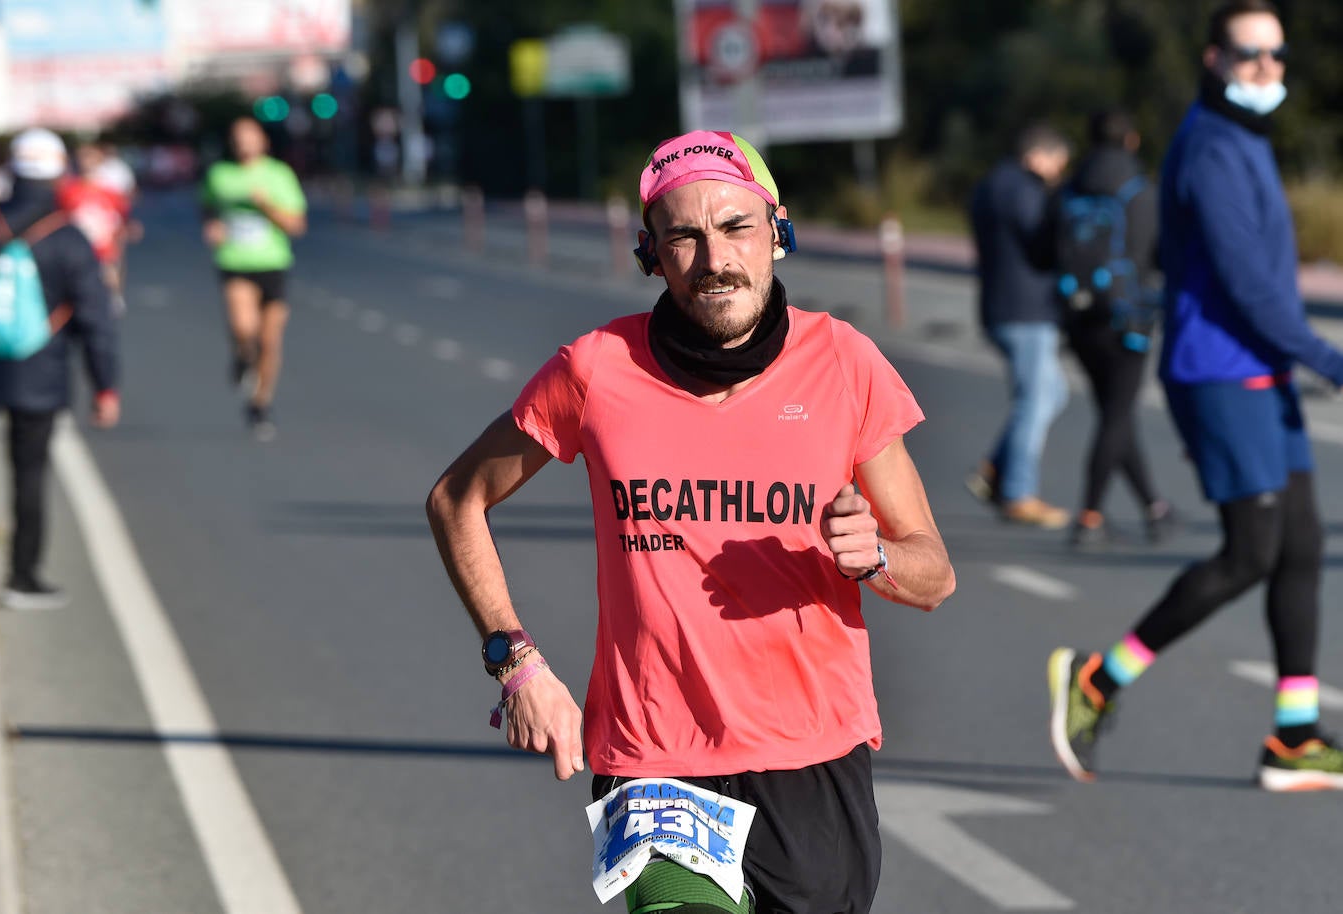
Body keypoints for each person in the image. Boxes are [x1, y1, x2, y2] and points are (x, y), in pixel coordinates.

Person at [427, 130, 955, 913]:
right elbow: (457, 498)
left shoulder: (844, 363)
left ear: (777, 231)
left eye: (737, 227)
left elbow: (933, 574)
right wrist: (518, 665)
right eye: (684, 236)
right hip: (654, 759)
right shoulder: (595, 370)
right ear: (652, 254)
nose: (715, 260)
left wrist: (873, 554)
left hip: (810, 756)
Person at [1049, 0, 1343, 791]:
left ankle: (1294, 736)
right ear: (1214, 59)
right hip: (1220, 372)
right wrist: (1329, 357)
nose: (1266, 69)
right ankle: (1096, 681)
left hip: (1259, 370)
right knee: (1251, 553)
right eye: (1249, 55)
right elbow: (1248, 285)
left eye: (1277, 55)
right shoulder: (1212, 149)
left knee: (1303, 545)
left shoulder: (1243, 138)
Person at [0, 128, 119, 610]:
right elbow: (96, 317)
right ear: (60, 173)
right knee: (29, 475)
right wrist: (105, 385)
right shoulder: (69, 236)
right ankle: (23, 577)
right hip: (40, 372)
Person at [1056, 111, 1176, 549]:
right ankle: (1090, 514)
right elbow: (1162, 253)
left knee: (1114, 414)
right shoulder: (1139, 191)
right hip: (1128, 318)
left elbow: (1045, 248)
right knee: (1118, 414)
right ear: (1132, 140)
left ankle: (1154, 506)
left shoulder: (1070, 188)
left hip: (1078, 316)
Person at [966, 124, 1072, 528]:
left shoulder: (989, 186)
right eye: (1056, 164)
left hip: (1001, 304)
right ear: (1038, 156)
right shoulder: (1024, 190)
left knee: (1053, 392)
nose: (1057, 174)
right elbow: (1042, 244)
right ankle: (1018, 492)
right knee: (1034, 399)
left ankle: (994, 470)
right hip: (1026, 310)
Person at [200, 117, 306, 442]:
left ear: (263, 141)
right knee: (243, 327)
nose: (243, 143)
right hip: (235, 261)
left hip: (272, 263)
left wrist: (267, 207)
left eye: (249, 137)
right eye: (237, 137)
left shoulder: (278, 174)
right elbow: (207, 207)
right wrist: (213, 225)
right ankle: (241, 356)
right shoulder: (220, 175)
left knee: (270, 341)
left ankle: (260, 403)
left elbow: (296, 225)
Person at [58, 142, 134, 314]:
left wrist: (123, 231)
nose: (86, 162)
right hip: (75, 245)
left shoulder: (110, 192)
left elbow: (122, 215)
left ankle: (113, 297)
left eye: (90, 158)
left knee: (109, 275)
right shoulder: (67, 191)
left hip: (104, 245)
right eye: (82, 158)